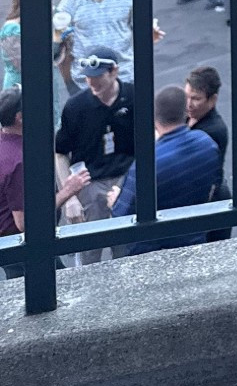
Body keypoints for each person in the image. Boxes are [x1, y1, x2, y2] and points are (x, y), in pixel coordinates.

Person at [108, 83, 221, 254]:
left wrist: (114, 200)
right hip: (194, 242)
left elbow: (122, 216)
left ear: (154, 116)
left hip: (151, 252)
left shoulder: (147, 164)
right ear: (185, 112)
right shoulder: (207, 144)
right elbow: (214, 188)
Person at [0, 87, 91, 276]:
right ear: (20, 117)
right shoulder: (19, 161)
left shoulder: (7, 144)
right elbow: (25, 223)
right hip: (25, 251)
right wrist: (68, 191)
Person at [54, 49, 136, 231]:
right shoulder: (76, 107)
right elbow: (60, 153)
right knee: (90, 250)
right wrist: (71, 198)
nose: (91, 82)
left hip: (125, 179)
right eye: (88, 77)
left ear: (114, 71)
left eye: (98, 76)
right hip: (90, 185)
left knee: (125, 243)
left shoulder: (133, 97)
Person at [56, 0, 150, 83]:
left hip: (125, 77)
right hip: (86, 82)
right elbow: (60, 44)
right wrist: (70, 84)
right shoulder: (70, 2)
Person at [184, 64, 232, 239]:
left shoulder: (213, 130)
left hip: (210, 205)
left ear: (213, 100)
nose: (189, 104)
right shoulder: (186, 116)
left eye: (196, 99)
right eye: (186, 96)